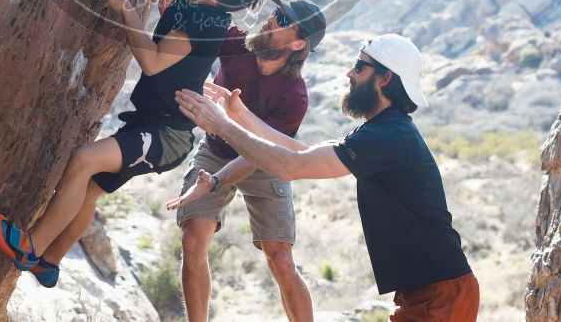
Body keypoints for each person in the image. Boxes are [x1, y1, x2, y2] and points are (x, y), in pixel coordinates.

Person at [0, 0, 266, 288]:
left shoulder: (206, 24)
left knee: (84, 160)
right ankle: (51, 262)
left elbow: (152, 63)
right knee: (93, 185)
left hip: (166, 135)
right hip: (155, 123)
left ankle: (30, 249)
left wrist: (126, 12)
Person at [174, 34, 480, 321]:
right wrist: (239, 115)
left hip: (440, 293)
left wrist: (224, 126)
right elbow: (303, 151)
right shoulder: (383, 130)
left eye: (360, 66)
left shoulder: (389, 136)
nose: (350, 73)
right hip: (430, 290)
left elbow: (291, 166)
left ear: (385, 78)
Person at [160, 0, 326, 322]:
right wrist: (171, 10)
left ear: (297, 44)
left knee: (279, 258)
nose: (270, 20)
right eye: (275, 12)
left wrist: (215, 182)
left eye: (282, 20)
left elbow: (256, 156)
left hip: (265, 160)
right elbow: (194, 26)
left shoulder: (295, 96)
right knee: (193, 238)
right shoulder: (238, 44)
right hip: (217, 148)